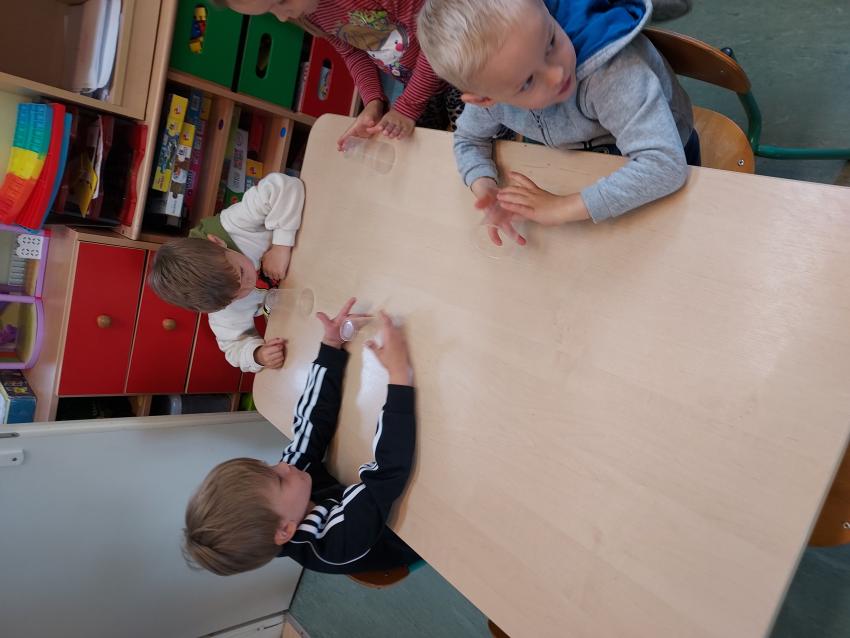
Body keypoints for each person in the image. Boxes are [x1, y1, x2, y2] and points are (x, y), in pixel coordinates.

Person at [417, 0, 700, 246]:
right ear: (485, 99)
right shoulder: (496, 84)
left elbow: (665, 164)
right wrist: (486, 188)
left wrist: (561, 208)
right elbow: (468, 139)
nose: (557, 74)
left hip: (666, 149)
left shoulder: (609, 73)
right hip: (585, 165)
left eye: (550, 42)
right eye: (527, 82)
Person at [183, 300, 420, 576]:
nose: (284, 465)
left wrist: (331, 346)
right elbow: (387, 473)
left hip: (393, 493)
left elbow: (311, 421)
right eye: (279, 479)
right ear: (285, 530)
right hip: (413, 535)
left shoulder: (289, 485)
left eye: (268, 466)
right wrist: (399, 374)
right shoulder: (336, 544)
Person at [221, 0, 458, 145]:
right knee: (413, 149)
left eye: (281, 1)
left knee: (470, 143)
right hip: (424, 84)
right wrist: (373, 102)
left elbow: (438, 37)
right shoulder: (312, 12)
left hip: (464, 67)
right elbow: (352, 53)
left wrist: (406, 107)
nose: (282, 18)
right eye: (269, 11)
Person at [149, 172, 303, 372]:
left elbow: (282, 186)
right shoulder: (221, 307)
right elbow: (232, 346)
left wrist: (280, 246)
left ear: (218, 243)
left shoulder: (235, 224)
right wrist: (257, 355)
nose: (248, 286)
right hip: (303, 302)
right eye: (235, 296)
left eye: (241, 273)